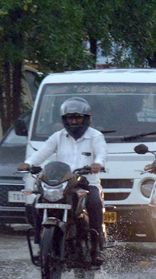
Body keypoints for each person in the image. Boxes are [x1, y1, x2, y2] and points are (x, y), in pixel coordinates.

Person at [19, 98, 108, 266]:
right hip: (63, 182)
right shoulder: (58, 136)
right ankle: (41, 245)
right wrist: (29, 163)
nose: (73, 121)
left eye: (77, 118)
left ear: (86, 118)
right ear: (64, 120)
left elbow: (102, 153)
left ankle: (96, 249)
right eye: (69, 118)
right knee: (38, 202)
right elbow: (43, 152)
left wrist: (98, 164)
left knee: (95, 203)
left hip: (86, 183)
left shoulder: (96, 136)